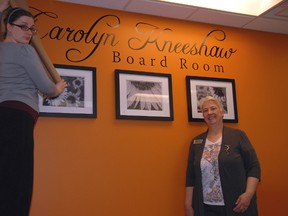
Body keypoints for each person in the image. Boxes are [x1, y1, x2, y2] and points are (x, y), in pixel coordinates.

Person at [0, 1, 67, 215]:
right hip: (18, 116)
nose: (29, 32)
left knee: (4, 174)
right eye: (23, 26)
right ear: (8, 26)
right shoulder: (25, 51)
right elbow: (45, 86)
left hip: (3, 114)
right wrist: (57, 87)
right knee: (19, 178)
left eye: (32, 28)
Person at [185, 96, 261, 216]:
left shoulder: (237, 136)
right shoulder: (196, 142)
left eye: (213, 108)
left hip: (236, 205)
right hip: (205, 208)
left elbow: (254, 167)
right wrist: (188, 205)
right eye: (205, 110)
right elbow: (191, 176)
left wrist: (249, 194)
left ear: (222, 112)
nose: (209, 112)